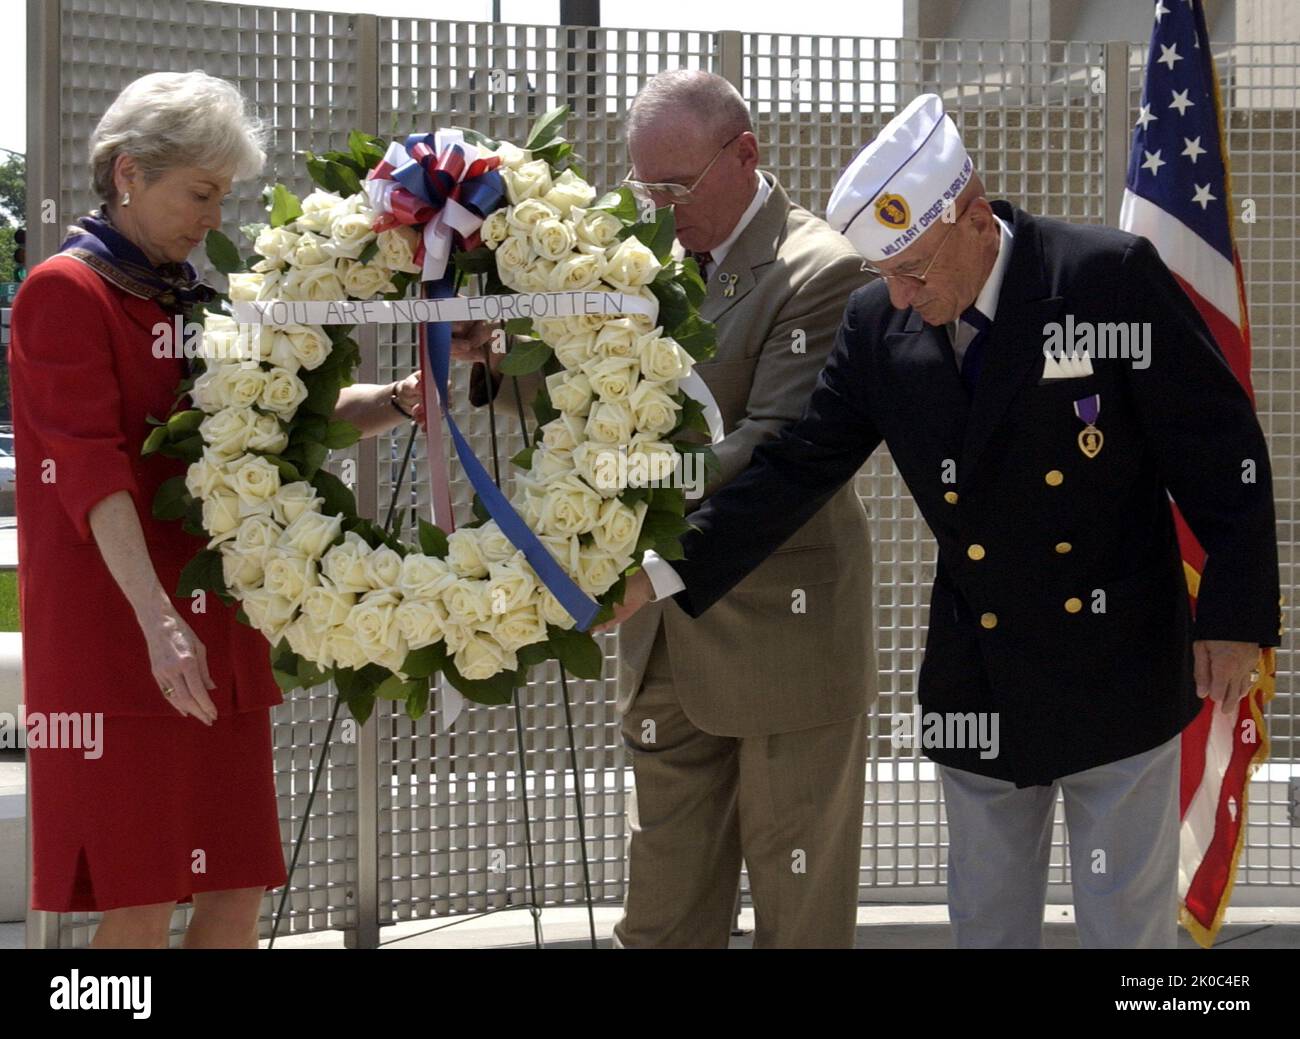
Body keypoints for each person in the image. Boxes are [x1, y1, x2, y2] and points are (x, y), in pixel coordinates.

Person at [599, 93, 1281, 949]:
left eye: (915, 270)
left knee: (1125, 933)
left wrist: (1232, 615)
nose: (900, 295)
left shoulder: (1106, 275)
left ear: (971, 212)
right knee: (987, 929)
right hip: (980, 679)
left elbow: (1222, 450)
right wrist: (661, 570)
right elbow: (795, 465)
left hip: (1120, 664)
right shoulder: (877, 322)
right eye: (884, 273)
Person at [459, 69, 877, 948]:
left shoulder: (820, 270)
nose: (656, 206)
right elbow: (590, 397)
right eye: (642, 186)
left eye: (675, 186)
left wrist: (614, 500)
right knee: (660, 919)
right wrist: (499, 361)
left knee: (798, 920)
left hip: (780, 641)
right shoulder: (635, 263)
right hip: (663, 646)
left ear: (747, 154)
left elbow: (772, 447)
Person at [10, 70, 425, 949]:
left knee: (236, 892)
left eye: (222, 195)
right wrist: (160, 624)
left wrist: (399, 396)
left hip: (215, 643)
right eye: (200, 193)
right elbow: (93, 476)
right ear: (129, 173)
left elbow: (278, 422)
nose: (212, 217)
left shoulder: (193, 296)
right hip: (127, 646)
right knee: (139, 902)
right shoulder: (64, 292)